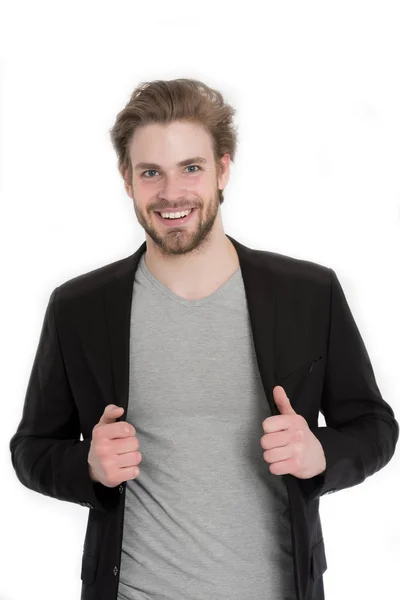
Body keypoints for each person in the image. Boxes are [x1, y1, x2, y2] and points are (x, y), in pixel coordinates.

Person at [9, 78, 399, 600]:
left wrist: (319, 453)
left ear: (223, 169)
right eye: (151, 173)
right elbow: (30, 449)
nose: (172, 193)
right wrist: (87, 464)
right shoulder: (79, 308)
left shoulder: (309, 293)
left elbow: (375, 427)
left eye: (191, 167)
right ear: (127, 179)